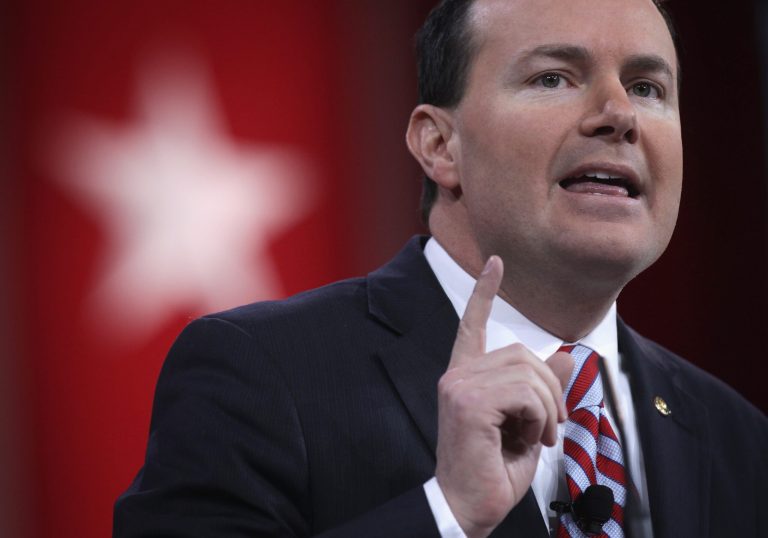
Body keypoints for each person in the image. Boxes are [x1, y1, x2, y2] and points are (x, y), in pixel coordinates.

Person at [114, 0, 768, 537]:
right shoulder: (258, 373)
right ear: (438, 144)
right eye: (554, 78)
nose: (619, 115)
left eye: (648, 88)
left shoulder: (738, 438)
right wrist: (447, 513)